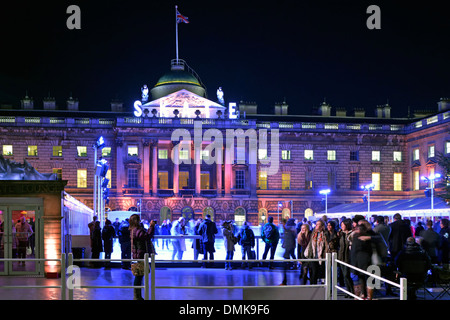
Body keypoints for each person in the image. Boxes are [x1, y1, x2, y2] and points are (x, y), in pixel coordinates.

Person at [129, 213, 155, 300]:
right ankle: (137, 296)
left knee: (139, 275)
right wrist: (151, 226)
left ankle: (137, 295)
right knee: (139, 276)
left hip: (138, 254)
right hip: (141, 255)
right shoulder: (137, 230)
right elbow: (147, 236)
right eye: (138, 219)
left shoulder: (133, 229)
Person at [304, 219, 328, 285]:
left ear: (322, 226)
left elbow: (326, 245)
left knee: (322, 272)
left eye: (318, 225)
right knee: (313, 272)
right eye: (316, 224)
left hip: (322, 256)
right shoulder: (313, 233)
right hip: (313, 255)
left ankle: (324, 287)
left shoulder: (325, 234)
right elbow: (310, 244)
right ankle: (313, 286)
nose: (316, 226)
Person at [337, 218, 354, 296]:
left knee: (347, 274)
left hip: (348, 256)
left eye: (343, 225)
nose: (341, 226)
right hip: (341, 256)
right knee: (344, 275)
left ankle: (351, 291)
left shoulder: (351, 234)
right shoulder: (341, 234)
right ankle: (349, 291)